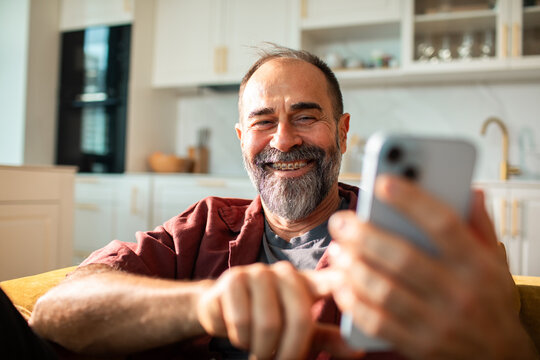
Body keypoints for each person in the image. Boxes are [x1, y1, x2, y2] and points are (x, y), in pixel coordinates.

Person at [29, 45, 538, 360]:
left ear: (342, 133)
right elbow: (57, 312)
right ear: (241, 137)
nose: (283, 140)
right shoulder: (204, 227)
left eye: (306, 116)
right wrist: (206, 304)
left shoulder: (414, 238)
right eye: (263, 121)